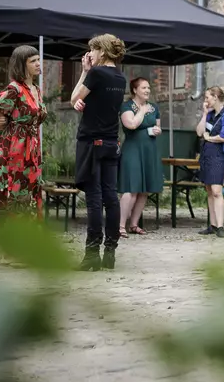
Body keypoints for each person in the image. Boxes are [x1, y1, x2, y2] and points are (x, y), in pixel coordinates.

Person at [71, 34, 128, 271]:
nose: (89, 55)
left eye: (92, 51)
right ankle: (110, 254)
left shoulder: (96, 73)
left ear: (101, 52)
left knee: (94, 199)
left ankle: (91, 255)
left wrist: (84, 71)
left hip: (91, 141)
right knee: (111, 197)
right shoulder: (120, 78)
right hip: (111, 142)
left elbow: (74, 97)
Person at [0, 45, 46, 219]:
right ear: (22, 64)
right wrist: (12, 128)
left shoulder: (36, 89)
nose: (37, 64)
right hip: (14, 150)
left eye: (38, 60)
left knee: (30, 188)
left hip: (32, 149)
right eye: (32, 61)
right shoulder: (14, 90)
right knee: (14, 189)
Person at [118, 77, 162, 237]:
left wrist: (158, 130)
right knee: (131, 188)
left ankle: (134, 224)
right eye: (144, 88)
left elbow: (158, 126)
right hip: (133, 150)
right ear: (135, 90)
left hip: (149, 150)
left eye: (148, 87)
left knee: (144, 190)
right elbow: (131, 124)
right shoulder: (127, 106)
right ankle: (120, 225)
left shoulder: (154, 107)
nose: (147, 90)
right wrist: (142, 111)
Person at [194, 86, 224, 238]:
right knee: (208, 190)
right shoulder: (210, 114)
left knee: (216, 191)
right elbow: (199, 132)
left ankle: (220, 226)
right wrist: (204, 114)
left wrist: (209, 138)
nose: (205, 100)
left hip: (219, 155)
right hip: (206, 154)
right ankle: (212, 225)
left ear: (215, 97)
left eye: (207, 97)